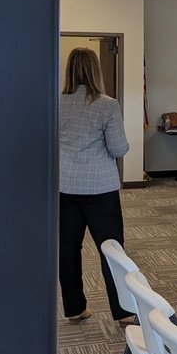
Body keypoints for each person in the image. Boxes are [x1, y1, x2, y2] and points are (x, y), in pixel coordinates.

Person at [58, 47, 133, 326]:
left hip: (65, 187)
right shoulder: (107, 104)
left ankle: (74, 308)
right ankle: (123, 310)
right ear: (95, 70)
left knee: (67, 249)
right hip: (100, 189)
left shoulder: (56, 102)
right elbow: (118, 147)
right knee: (112, 249)